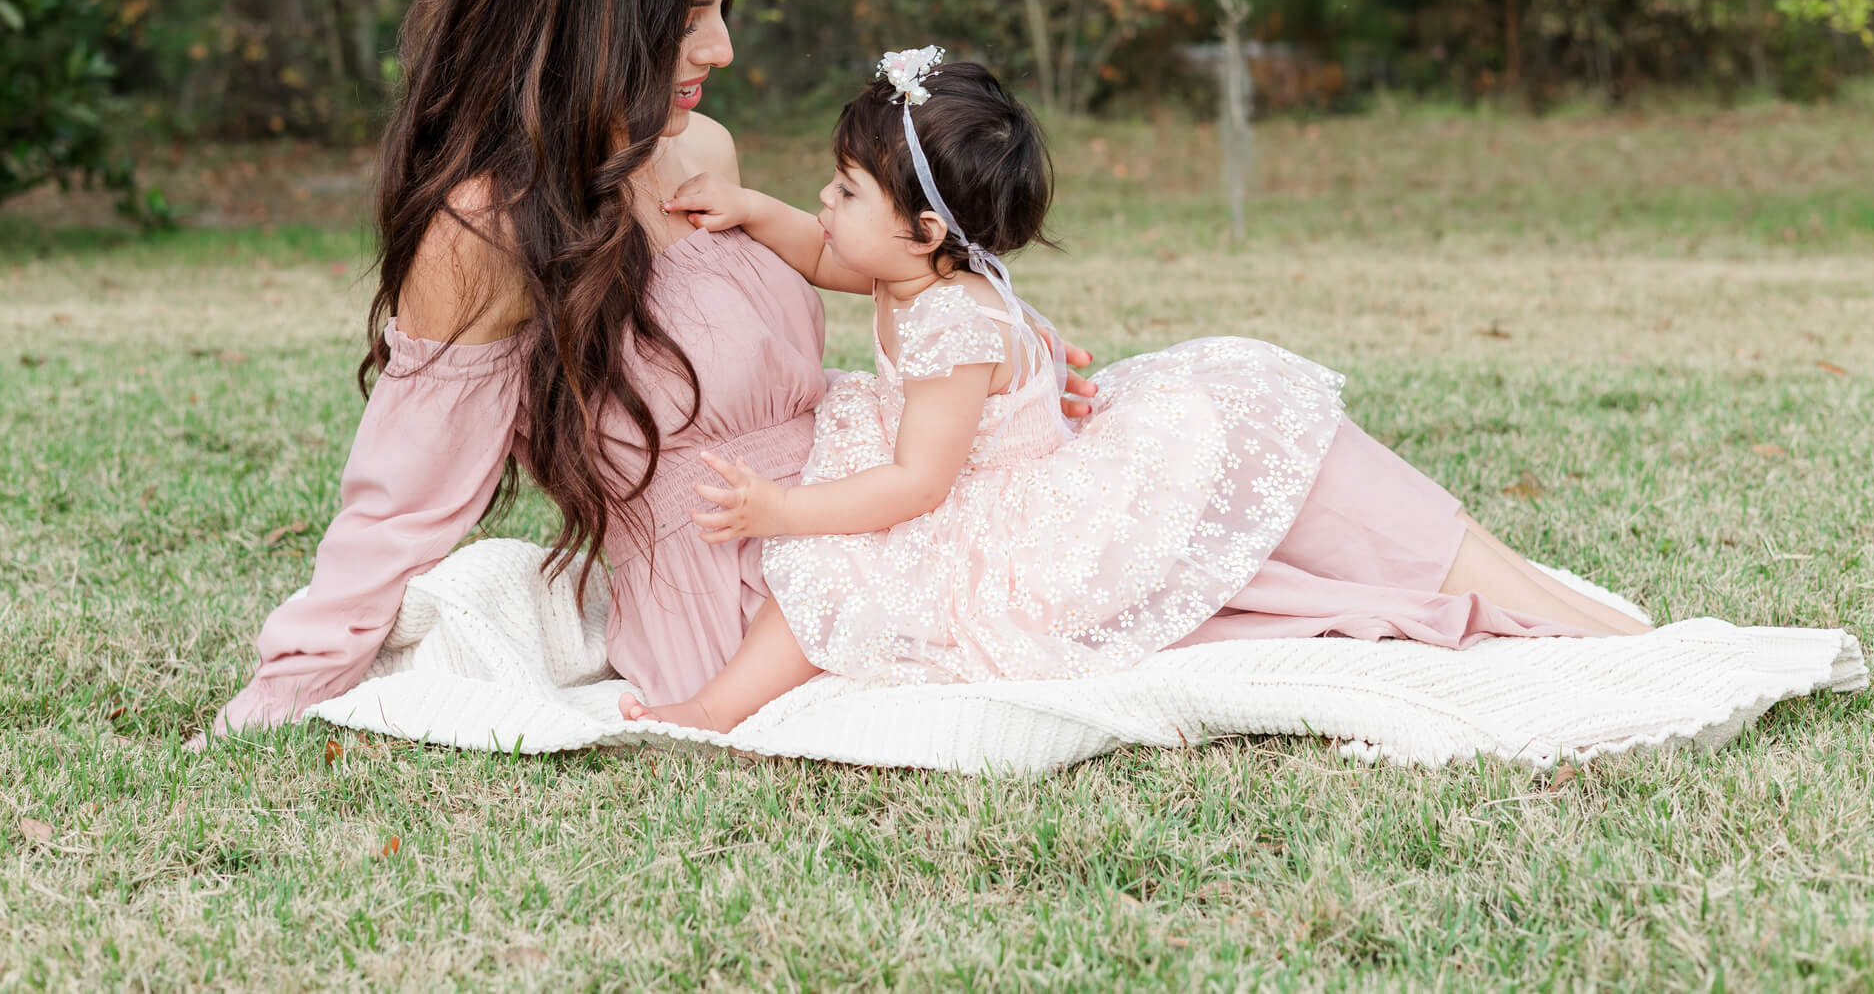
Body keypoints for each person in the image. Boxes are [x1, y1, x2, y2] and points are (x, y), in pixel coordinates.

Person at [196, 0, 1105, 744]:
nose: (722, 50)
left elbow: (806, 361)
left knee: (1184, 446)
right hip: (748, 599)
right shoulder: (486, 229)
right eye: (688, 18)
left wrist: (991, 389)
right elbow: (401, 498)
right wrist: (285, 688)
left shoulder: (701, 147)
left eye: (722, 7)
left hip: (872, 502)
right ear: (582, 18)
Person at [620, 50, 1651, 733]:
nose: (822, 204)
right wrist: (749, 207)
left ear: (927, 232)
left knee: (825, 570)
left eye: (844, 190)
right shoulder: (905, 269)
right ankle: (716, 705)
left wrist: (783, 509)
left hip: (994, 510)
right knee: (823, 573)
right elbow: (823, 256)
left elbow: (917, 483)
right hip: (963, 457)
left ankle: (711, 713)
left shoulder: (946, 322)